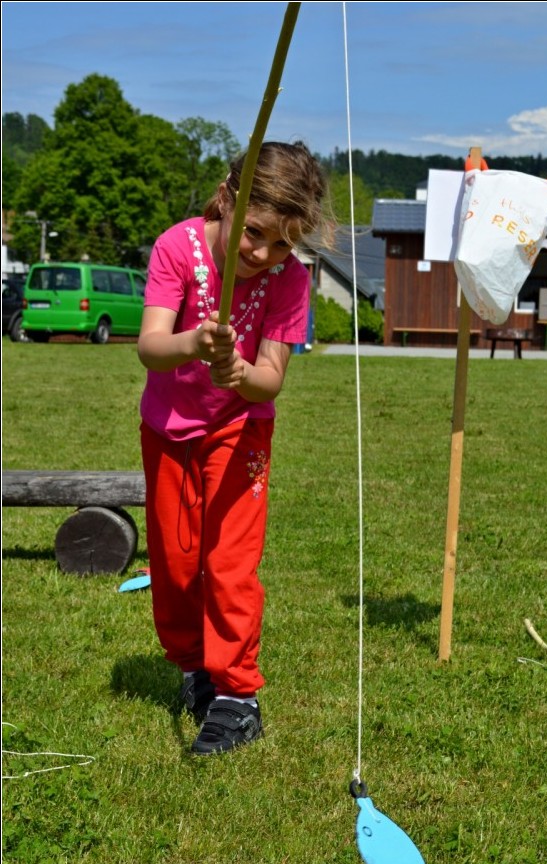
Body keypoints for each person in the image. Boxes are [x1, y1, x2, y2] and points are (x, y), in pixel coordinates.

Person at [137, 141, 329, 755]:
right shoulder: (178, 247)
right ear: (227, 197)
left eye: (282, 243)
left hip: (240, 430)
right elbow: (150, 346)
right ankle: (195, 670)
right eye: (254, 233)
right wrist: (196, 342)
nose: (263, 253)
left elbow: (271, 378)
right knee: (173, 561)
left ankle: (238, 697)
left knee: (228, 563)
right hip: (168, 429)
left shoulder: (289, 279)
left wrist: (241, 374)